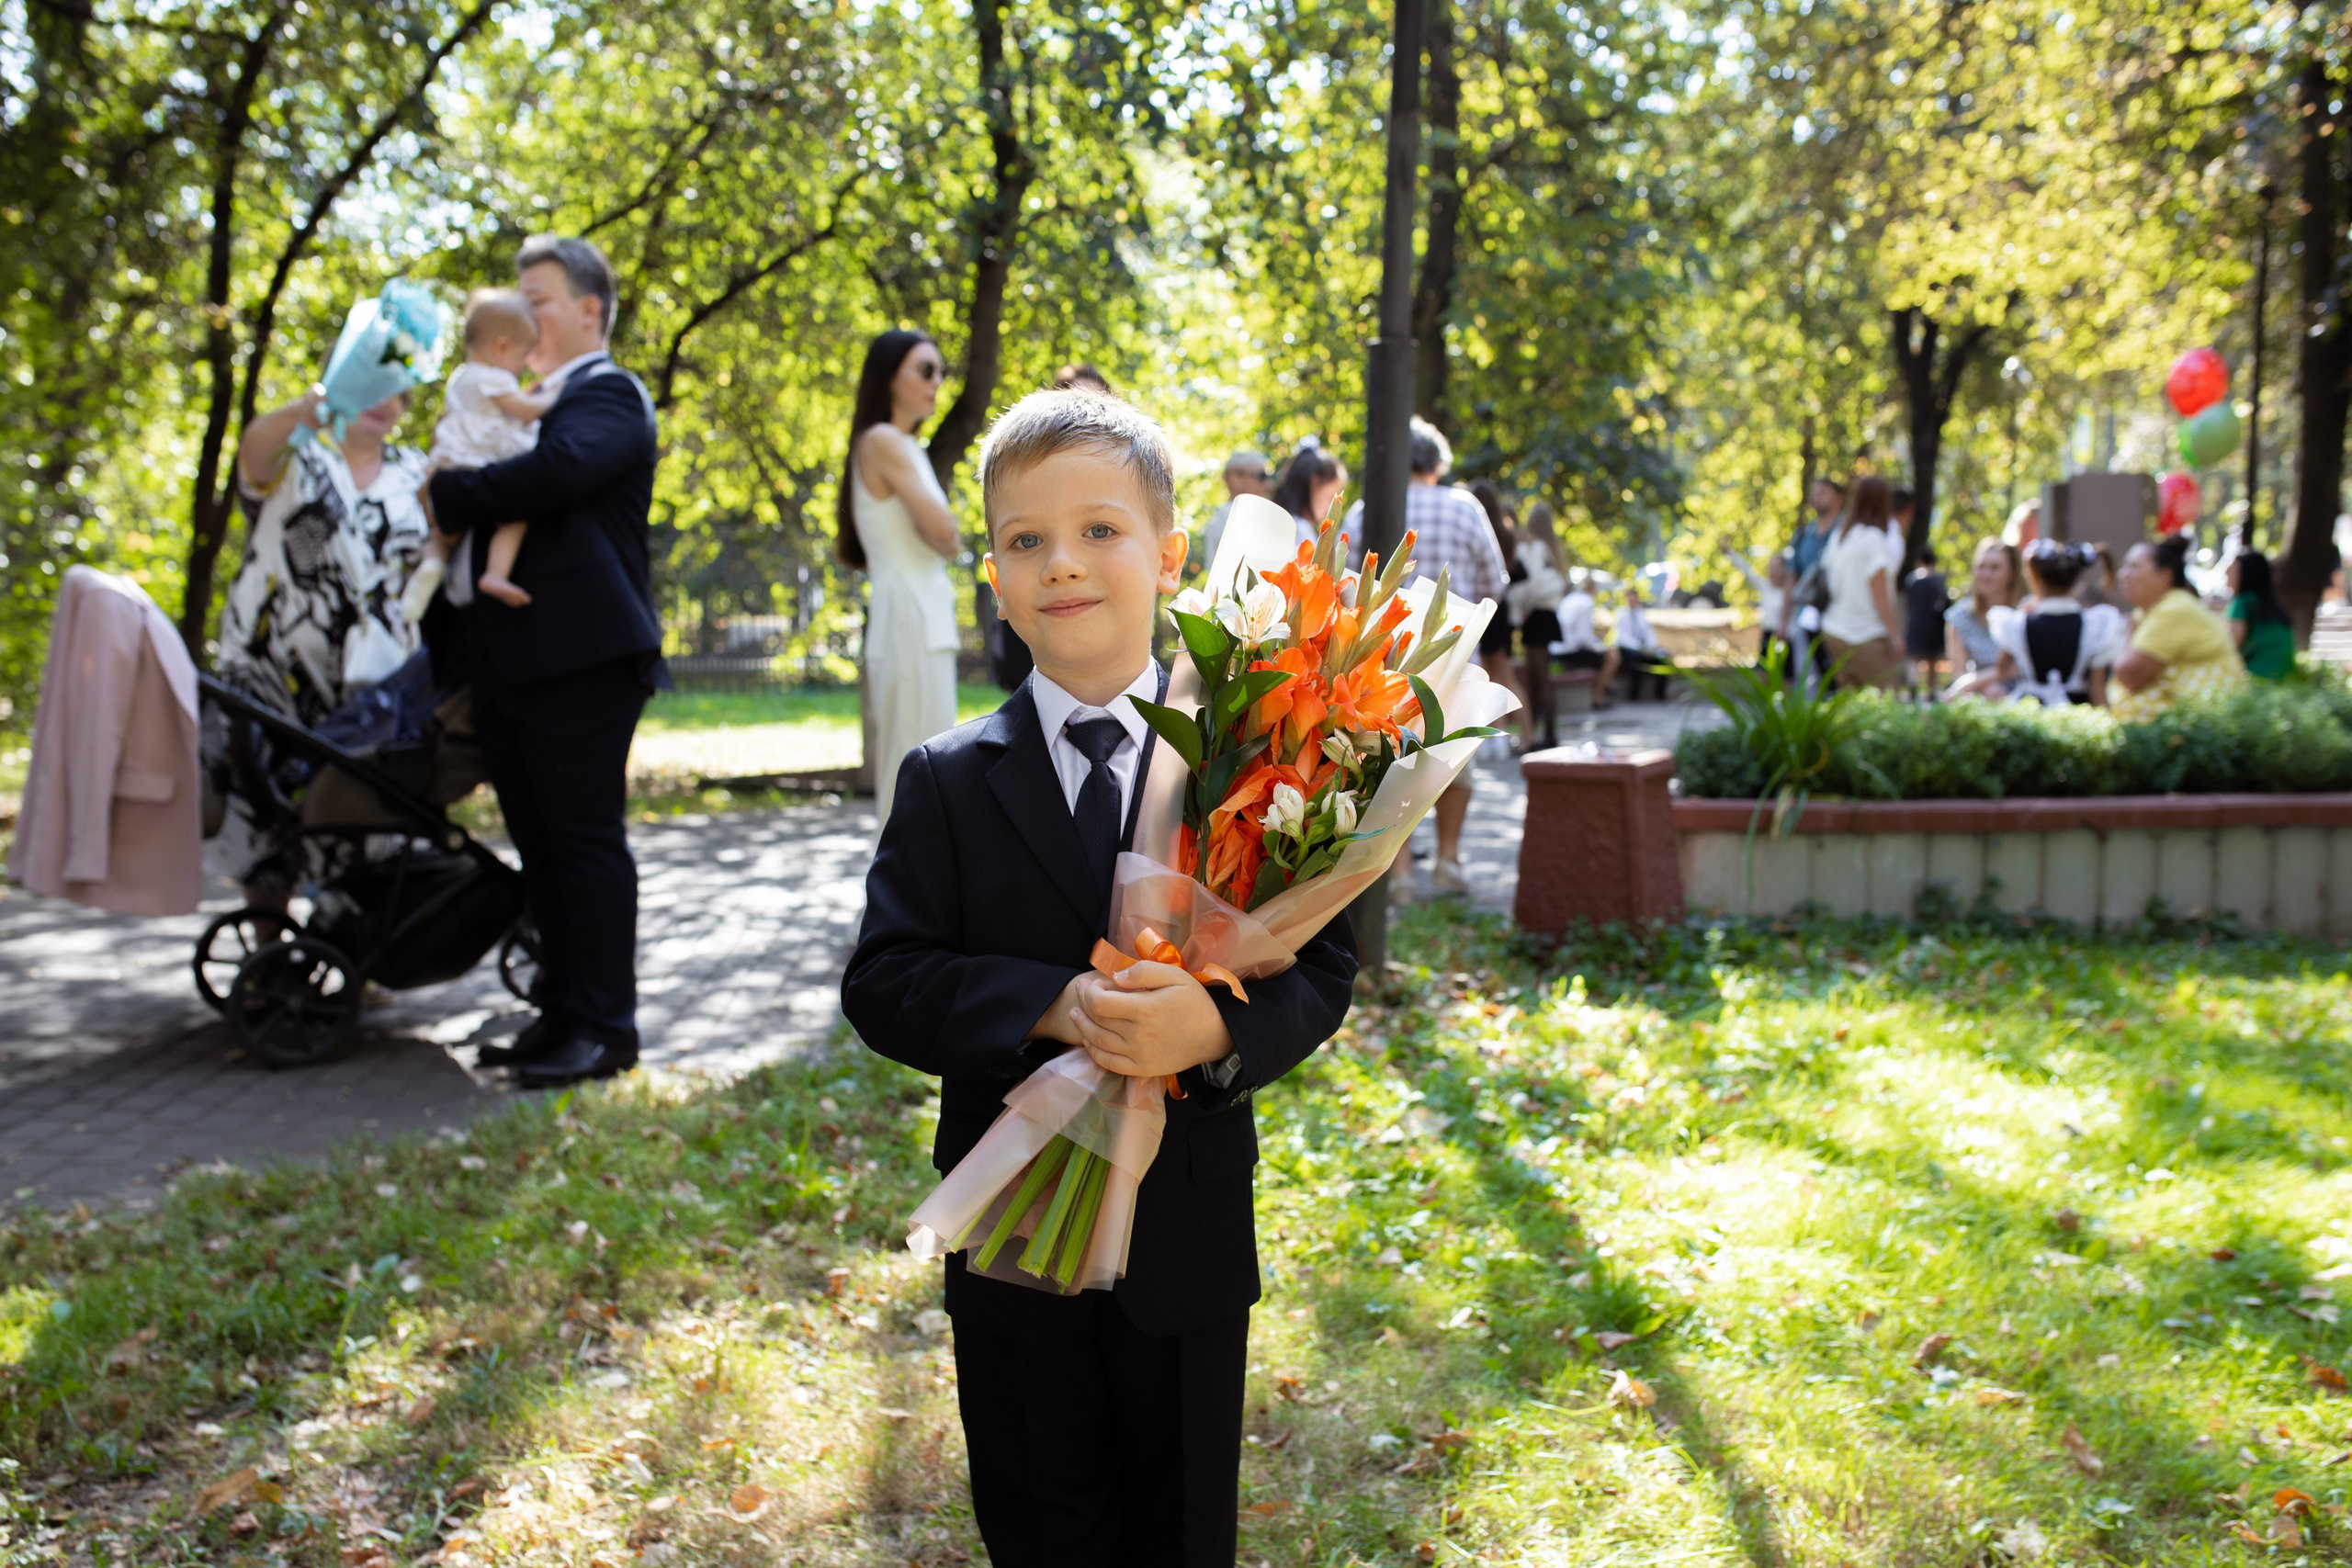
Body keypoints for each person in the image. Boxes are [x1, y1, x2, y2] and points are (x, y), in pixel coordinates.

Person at [842, 387, 1355, 1568]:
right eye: (1026, 541)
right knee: (1040, 1522)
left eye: (1099, 532)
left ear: (1171, 557)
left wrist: (1213, 1037)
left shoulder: (1249, 760)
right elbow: (887, 980)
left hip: (1186, 1234)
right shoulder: (946, 779)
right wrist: (1054, 1002)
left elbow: (1318, 969)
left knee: (1181, 1531)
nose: (1062, 564)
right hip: (1015, 1232)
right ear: (992, 577)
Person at [421, 235, 665, 1089]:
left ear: (590, 310)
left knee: (583, 840)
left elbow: (555, 474)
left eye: (542, 298)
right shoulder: (515, 401)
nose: (524, 314)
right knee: (540, 845)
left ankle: (604, 1027)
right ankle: (559, 1014)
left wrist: (450, 490)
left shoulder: (608, 395)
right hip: (512, 659)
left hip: (583, 658)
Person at [209, 379, 432, 907]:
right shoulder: (298, 452)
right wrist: (303, 410)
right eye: (375, 382)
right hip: (272, 668)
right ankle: (270, 956)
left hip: (375, 682)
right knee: (263, 810)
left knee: (363, 806)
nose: (384, 400)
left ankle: (357, 949)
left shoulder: (417, 471)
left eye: (397, 392)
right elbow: (253, 456)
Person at [839, 330, 961, 825]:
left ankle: (913, 895)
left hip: (922, 616)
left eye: (941, 371)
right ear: (890, 377)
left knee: (926, 766)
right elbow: (945, 533)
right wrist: (949, 534)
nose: (937, 381)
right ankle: (895, 899)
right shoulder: (884, 441)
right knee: (912, 767)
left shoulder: (905, 445)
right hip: (909, 616)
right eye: (925, 369)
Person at [1398, 421, 1509, 897]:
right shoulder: (1466, 508)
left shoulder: (1369, 507)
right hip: (1456, 653)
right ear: (1438, 463)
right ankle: (1448, 861)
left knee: (1388, 763)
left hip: (1393, 654)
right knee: (1455, 761)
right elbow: (1493, 584)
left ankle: (1398, 876)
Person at [413, 289, 560, 614]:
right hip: (476, 465)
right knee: (517, 514)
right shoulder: (495, 377)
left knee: (442, 534)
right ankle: (496, 574)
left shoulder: (462, 377)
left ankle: (430, 566)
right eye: (523, 356)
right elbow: (525, 410)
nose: (523, 366)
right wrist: (554, 395)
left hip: (447, 463)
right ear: (502, 347)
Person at [2111, 536, 2248, 720]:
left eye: (2134, 567)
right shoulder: (2153, 609)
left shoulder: (2175, 608)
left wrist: (2130, 630)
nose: (2123, 574)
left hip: (2205, 725)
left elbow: (2129, 676)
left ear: (2164, 576)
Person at [1987, 541, 2126, 706]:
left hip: (2031, 714)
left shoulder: (2018, 623)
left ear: (2034, 576)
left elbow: (2002, 668)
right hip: (2076, 714)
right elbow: (2097, 689)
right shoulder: (2095, 625)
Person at [1818, 475, 1905, 689]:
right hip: (1864, 634)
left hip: (1834, 630)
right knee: (1887, 703)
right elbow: (1880, 595)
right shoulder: (1873, 539)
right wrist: (1895, 636)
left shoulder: (1840, 536)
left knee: (1852, 706)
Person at [1466, 480, 1531, 746]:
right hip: (1499, 608)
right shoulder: (1506, 533)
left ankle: (1495, 738)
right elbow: (1520, 573)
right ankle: (1520, 736)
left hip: (1479, 607)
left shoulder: (1475, 527)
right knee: (1503, 677)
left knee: (1486, 676)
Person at [1510, 502, 1569, 749]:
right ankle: (1545, 731)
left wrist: (1520, 613)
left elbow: (1530, 586)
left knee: (1538, 677)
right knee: (1540, 676)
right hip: (1548, 617)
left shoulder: (1535, 548)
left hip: (1536, 617)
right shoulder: (1554, 549)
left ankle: (1541, 734)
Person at [1944, 537, 2021, 700]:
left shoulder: (2024, 614)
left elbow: (2024, 670)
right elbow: (1959, 675)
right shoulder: (1959, 617)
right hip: (1978, 696)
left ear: (2012, 573)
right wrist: (1993, 680)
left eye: (1995, 568)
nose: (1986, 574)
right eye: (1981, 567)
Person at [1199, 449, 1272, 584]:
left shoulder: (1222, 518)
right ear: (1234, 479)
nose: (1268, 484)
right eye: (1261, 476)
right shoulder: (1232, 516)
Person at [1552, 569, 1622, 705]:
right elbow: (1584, 638)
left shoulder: (1569, 599)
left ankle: (1608, 684)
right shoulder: (1586, 602)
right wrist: (1600, 643)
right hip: (1569, 650)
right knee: (1613, 656)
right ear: (1592, 588)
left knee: (1601, 657)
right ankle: (1598, 696)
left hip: (1556, 648)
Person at [2225, 549, 2296, 680]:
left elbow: (2231, 647)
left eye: (2232, 569)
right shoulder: (2273, 605)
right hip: (2286, 678)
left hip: (2256, 677)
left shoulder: (2242, 603)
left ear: (2245, 573)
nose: (2226, 573)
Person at [1268, 440, 1350, 551]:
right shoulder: (1300, 530)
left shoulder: (1276, 521)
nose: (1328, 508)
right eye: (1329, 497)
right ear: (1314, 483)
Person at [1613, 585, 1674, 700]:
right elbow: (1622, 638)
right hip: (1629, 649)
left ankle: (1660, 694)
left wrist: (1652, 647)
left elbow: (1649, 635)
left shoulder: (1641, 614)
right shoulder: (1621, 614)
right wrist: (1640, 648)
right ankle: (1634, 695)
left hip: (1644, 649)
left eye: (1633, 599)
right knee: (1637, 661)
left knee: (1663, 658)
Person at [1903, 547, 1950, 694]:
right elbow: (1944, 601)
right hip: (1932, 625)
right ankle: (1930, 691)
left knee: (1914, 659)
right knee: (1932, 660)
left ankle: (1913, 686)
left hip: (1915, 623)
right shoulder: (1937, 579)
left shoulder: (1911, 579)